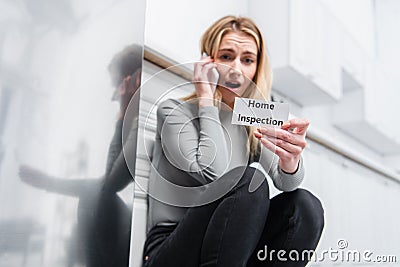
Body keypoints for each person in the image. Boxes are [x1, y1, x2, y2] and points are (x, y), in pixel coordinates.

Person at [142, 16, 324, 267]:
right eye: (226, 57)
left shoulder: (251, 119)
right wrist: (207, 100)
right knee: (248, 181)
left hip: (229, 249)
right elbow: (213, 173)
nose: (237, 69)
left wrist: (290, 160)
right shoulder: (174, 111)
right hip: (170, 249)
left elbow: (287, 183)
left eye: (247, 60)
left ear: (257, 68)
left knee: (305, 206)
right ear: (207, 62)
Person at [19, 44, 142, 267]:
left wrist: (122, 114)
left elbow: (110, 184)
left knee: (93, 197)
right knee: (89, 205)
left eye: (117, 86)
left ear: (134, 81)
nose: (114, 96)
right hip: (147, 230)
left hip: (152, 242)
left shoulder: (147, 120)